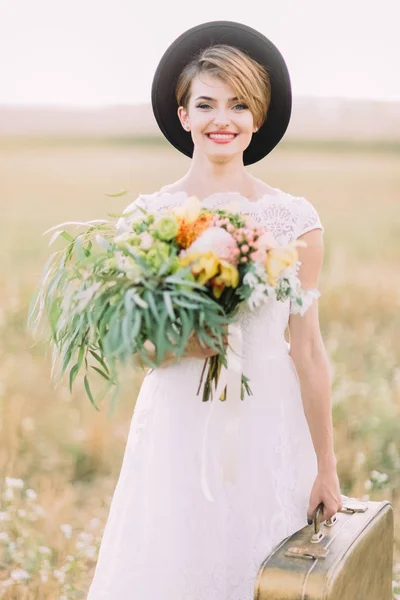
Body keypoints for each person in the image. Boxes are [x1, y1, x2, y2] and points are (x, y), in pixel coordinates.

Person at [87, 20, 342, 600]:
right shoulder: (148, 218)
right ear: (183, 116)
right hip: (179, 423)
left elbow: (308, 350)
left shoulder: (295, 220)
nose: (221, 119)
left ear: (258, 118)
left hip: (268, 421)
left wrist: (326, 465)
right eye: (205, 104)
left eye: (238, 105)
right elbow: (138, 346)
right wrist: (188, 344)